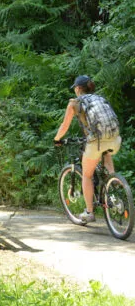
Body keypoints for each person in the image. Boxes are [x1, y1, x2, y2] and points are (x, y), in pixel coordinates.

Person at [54, 75, 121, 223]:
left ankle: (89, 212)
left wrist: (57, 139)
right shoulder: (100, 99)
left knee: (87, 174)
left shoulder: (74, 103)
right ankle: (114, 181)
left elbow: (64, 126)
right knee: (106, 153)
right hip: (115, 139)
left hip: (96, 142)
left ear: (78, 89)